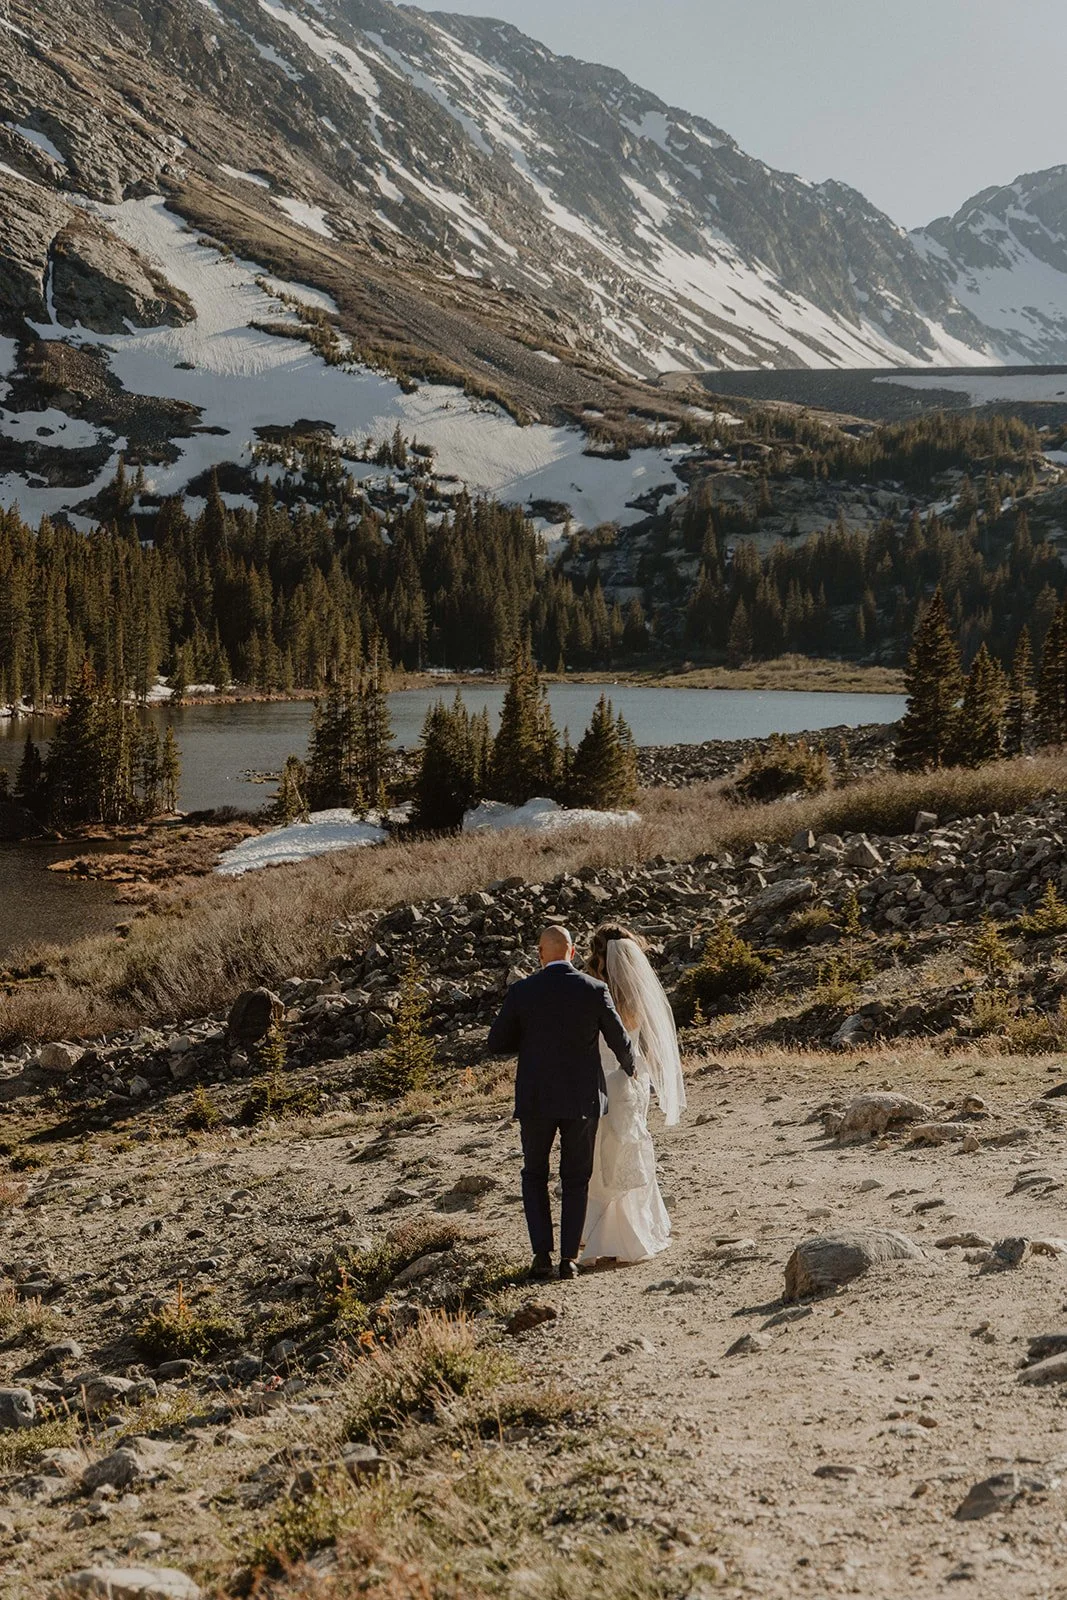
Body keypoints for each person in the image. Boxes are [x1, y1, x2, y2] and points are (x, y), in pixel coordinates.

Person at [487, 924, 636, 1281]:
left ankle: (541, 1256)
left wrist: (531, 1040)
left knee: (534, 1174)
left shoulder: (522, 991)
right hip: (582, 1098)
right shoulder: (594, 989)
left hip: (536, 1098)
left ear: (541, 953)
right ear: (571, 952)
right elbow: (619, 1039)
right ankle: (569, 1258)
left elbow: (496, 1043)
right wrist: (632, 1071)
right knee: (576, 1178)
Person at [579, 923, 685, 1266]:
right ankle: (639, 1227)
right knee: (629, 1151)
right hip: (633, 1080)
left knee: (603, 1157)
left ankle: (608, 1237)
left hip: (603, 1082)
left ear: (598, 958)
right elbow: (648, 1046)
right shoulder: (637, 997)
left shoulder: (595, 996)